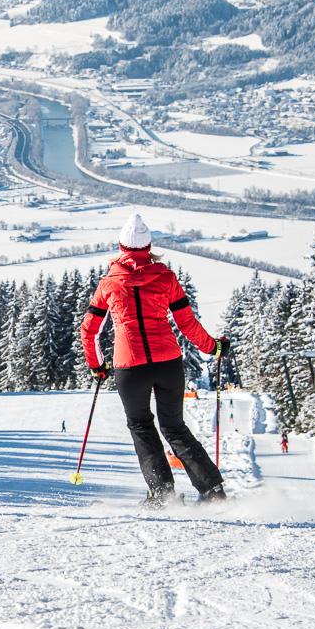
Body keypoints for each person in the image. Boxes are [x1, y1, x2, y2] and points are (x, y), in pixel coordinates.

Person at [81, 213, 229, 506]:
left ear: (121, 246)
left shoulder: (109, 284)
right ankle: (213, 492)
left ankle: (162, 494)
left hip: (130, 366)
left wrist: (97, 366)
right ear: (149, 247)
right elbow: (187, 323)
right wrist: (213, 348)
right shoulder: (165, 277)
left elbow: (89, 329)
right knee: (174, 427)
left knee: (141, 426)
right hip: (168, 363)